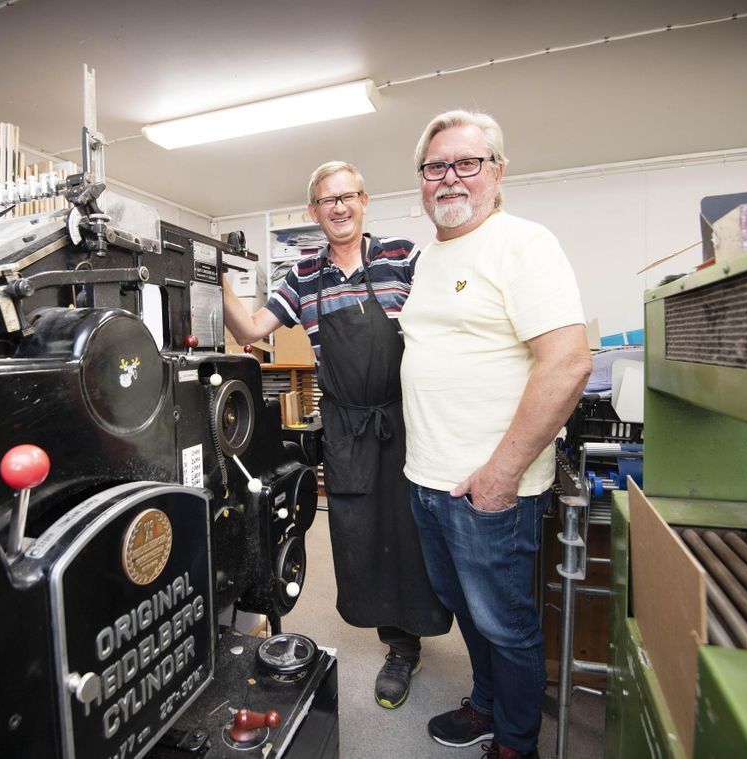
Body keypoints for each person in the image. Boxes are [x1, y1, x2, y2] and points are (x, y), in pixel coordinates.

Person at [399, 111, 593, 759]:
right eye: (435, 166)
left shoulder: (523, 243)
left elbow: (567, 361)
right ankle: (485, 706)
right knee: (466, 610)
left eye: (467, 163)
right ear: (422, 179)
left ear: (497, 172)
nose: (449, 178)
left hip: (490, 489)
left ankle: (515, 743)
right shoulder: (429, 255)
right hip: (428, 480)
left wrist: (500, 475)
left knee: (506, 625)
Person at [223, 161, 451, 709]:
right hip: (346, 427)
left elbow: (449, 317)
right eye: (328, 201)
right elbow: (252, 330)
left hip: (405, 420)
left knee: (414, 534)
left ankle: (409, 641)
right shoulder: (303, 276)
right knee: (359, 535)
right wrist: (214, 279)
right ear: (314, 211)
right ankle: (392, 640)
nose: (340, 207)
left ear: (364, 201)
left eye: (348, 197)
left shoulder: (403, 257)